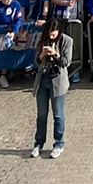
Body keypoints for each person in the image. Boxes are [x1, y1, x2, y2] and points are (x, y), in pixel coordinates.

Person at [30, 14, 73, 159]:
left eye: (54, 33)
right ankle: (38, 143)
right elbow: (36, 62)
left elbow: (66, 62)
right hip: (43, 80)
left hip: (58, 81)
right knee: (42, 114)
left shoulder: (67, 41)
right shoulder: (43, 40)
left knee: (58, 114)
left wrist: (56, 54)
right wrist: (42, 55)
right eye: (49, 32)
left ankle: (59, 143)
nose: (51, 35)